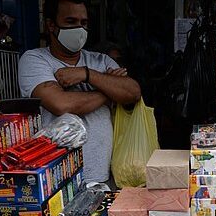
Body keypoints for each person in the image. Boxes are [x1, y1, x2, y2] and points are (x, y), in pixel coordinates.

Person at [18, 0, 141, 183]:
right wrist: (108, 91)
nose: (79, 28)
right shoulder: (34, 59)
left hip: (102, 177)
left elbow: (133, 92)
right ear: (51, 25)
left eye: (83, 23)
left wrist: (86, 74)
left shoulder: (101, 60)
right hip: (57, 180)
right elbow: (61, 104)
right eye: (70, 21)